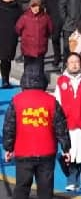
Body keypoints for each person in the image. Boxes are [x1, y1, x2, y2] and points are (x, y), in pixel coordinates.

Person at [3, 67, 71, 199]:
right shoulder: (51, 101)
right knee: (45, 190)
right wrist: (66, 148)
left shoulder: (17, 100)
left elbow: (9, 127)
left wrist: (8, 148)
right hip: (46, 151)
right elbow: (61, 127)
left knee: (21, 188)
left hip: (23, 150)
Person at [55, 52, 81, 192]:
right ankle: (72, 179)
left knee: (79, 153)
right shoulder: (61, 81)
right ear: (66, 64)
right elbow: (57, 102)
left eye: (77, 62)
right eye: (71, 62)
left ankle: (74, 178)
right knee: (69, 154)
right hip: (68, 125)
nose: (74, 65)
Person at [15, 0, 53, 78]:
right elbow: (18, 28)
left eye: (37, 6)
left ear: (40, 6)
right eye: (33, 6)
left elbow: (50, 30)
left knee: (39, 69)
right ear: (30, 7)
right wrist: (25, 37)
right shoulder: (25, 17)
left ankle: (39, 83)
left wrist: (44, 38)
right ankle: (27, 82)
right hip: (27, 48)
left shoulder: (45, 17)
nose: (35, 8)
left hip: (40, 48)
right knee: (28, 69)